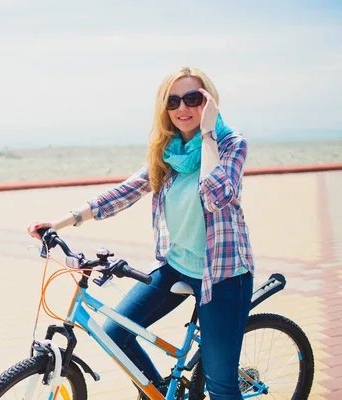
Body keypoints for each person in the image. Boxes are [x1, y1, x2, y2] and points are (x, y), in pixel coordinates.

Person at [27, 66, 254, 400]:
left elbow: (215, 196)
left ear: (209, 103)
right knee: (115, 332)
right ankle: (162, 393)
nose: (182, 108)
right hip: (177, 265)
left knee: (221, 386)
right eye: (173, 101)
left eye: (193, 98)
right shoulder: (169, 153)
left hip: (222, 276)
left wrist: (207, 136)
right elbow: (123, 193)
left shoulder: (231, 144)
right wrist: (61, 222)